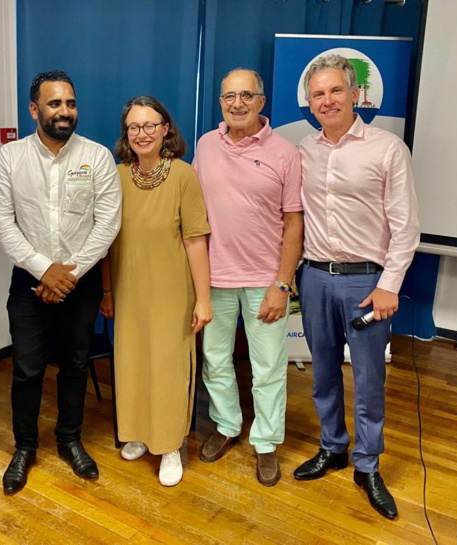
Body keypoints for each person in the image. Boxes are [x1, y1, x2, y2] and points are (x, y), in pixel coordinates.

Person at [293, 54, 420, 519]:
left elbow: (406, 225)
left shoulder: (387, 149)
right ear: (309, 101)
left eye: (335, 91)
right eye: (318, 93)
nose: (327, 100)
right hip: (314, 277)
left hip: (367, 282)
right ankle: (334, 447)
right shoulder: (302, 150)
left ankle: (367, 465)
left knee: (368, 380)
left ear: (355, 94)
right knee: (322, 372)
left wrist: (390, 285)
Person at [0, 70, 122, 494]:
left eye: (70, 103)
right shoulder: (9, 158)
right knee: (27, 369)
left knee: (75, 365)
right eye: (54, 103)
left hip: (78, 283)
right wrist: (43, 270)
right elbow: (2, 223)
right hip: (29, 283)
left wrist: (68, 273)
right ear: (34, 109)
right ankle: (24, 447)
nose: (65, 111)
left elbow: (108, 224)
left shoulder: (97, 157)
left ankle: (69, 439)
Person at [193, 69, 303, 486]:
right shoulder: (205, 145)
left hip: (265, 280)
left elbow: (294, 223)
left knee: (268, 366)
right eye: (228, 97)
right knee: (216, 359)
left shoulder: (284, 152)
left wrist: (282, 283)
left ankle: (267, 442)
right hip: (214, 277)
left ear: (261, 102)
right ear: (220, 102)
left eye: (246, 96)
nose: (236, 104)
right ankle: (226, 425)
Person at [101, 96, 212, 487]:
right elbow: (105, 243)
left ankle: (168, 445)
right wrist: (107, 291)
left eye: (150, 125)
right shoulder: (114, 176)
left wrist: (203, 299)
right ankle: (137, 433)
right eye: (134, 127)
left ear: (166, 129)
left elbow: (196, 240)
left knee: (168, 367)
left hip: (172, 292)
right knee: (131, 363)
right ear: (126, 134)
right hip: (129, 288)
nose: (142, 133)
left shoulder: (183, 175)